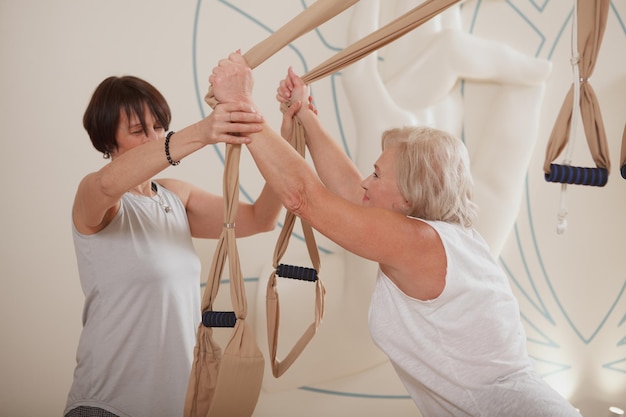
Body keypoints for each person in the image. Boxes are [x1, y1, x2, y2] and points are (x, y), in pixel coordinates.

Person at [209, 52, 580, 416]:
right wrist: (305, 115)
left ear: (408, 197)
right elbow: (353, 192)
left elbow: (307, 197)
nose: (366, 181)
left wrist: (241, 104)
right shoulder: (435, 235)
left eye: (376, 174)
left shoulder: (420, 242)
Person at [64, 75, 281, 417]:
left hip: (179, 405)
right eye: (138, 130)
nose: (153, 138)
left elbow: (261, 218)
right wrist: (202, 132)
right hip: (107, 406)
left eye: (158, 126)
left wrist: (277, 133)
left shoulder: (176, 197)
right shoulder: (96, 197)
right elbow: (109, 183)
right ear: (109, 139)